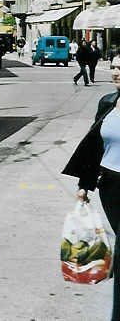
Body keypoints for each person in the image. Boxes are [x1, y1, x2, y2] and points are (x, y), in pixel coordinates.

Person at [62, 54, 120, 320]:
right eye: (115, 67)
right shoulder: (107, 102)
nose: (116, 72)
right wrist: (84, 184)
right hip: (110, 185)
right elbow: (95, 146)